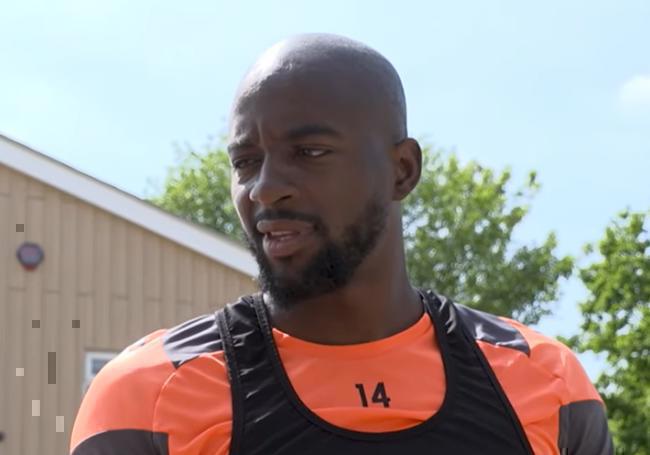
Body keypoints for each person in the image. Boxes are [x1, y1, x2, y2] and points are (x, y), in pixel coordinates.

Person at [70, 34, 613, 455]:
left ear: (402, 170)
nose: (264, 187)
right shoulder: (147, 392)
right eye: (246, 161)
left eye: (309, 152)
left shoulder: (544, 379)